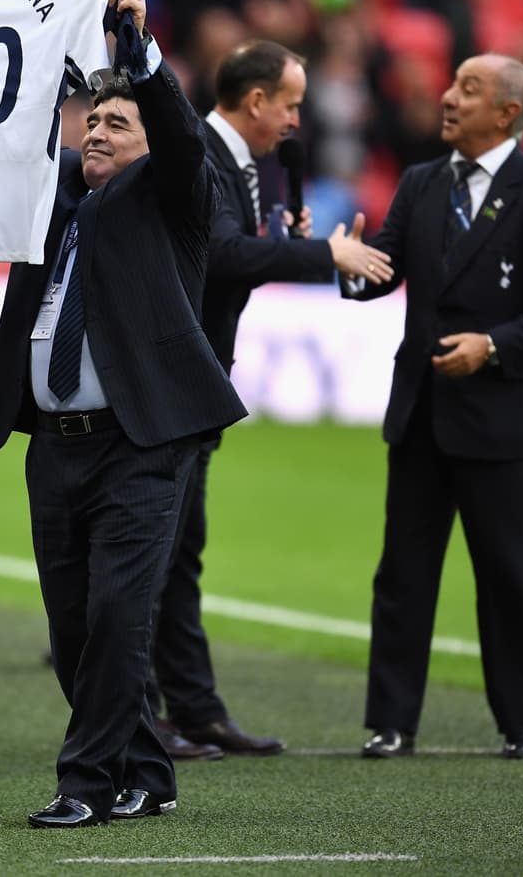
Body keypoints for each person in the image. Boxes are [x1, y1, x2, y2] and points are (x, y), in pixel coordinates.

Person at [0, 0, 247, 828]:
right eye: (90, 120)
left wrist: (140, 51)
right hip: (55, 444)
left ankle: (84, 784)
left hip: (141, 444)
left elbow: (174, 130)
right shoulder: (55, 207)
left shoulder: (176, 198)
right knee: (75, 630)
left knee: (119, 616)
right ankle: (146, 770)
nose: (96, 130)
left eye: (114, 123)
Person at [147, 39, 393, 761]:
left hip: (198, 386)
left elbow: (222, 262)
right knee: (154, 557)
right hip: (169, 388)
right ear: (255, 101)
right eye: (288, 103)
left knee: (180, 554)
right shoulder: (203, 154)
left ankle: (193, 709)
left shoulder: (242, 162)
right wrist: (322, 256)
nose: (295, 119)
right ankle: (142, 714)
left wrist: (283, 246)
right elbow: (220, 254)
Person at [344, 54, 523, 760]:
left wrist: (495, 344)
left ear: (508, 113)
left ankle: (522, 724)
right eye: (453, 84)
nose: (448, 97)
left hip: (505, 418)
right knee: (402, 574)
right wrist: (346, 264)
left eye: (468, 89)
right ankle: (390, 721)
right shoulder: (421, 181)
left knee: (510, 574)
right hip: (422, 411)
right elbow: (383, 272)